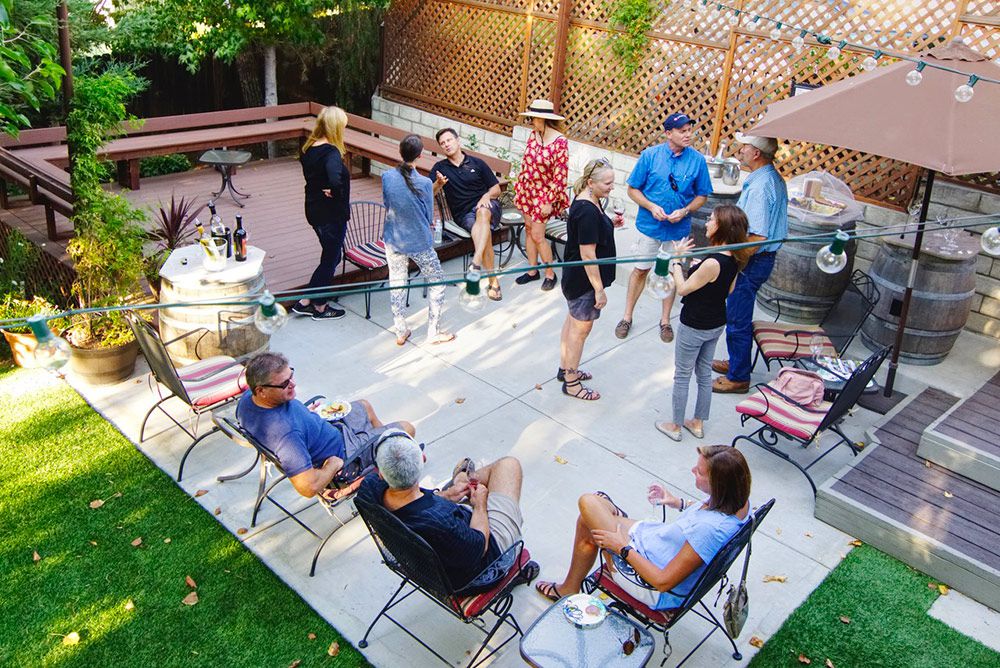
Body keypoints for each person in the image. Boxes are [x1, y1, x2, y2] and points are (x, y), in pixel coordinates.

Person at [534, 445, 751, 610]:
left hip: (650, 584)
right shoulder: (739, 503)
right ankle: (571, 584)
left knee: (588, 504)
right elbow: (707, 511)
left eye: (700, 472)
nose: (693, 470)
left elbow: (662, 582)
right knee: (588, 517)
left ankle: (569, 586)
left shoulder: (708, 532)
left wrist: (621, 549)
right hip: (655, 545)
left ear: (719, 485)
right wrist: (678, 503)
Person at [358, 434, 539, 592]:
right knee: (509, 465)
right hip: (474, 577)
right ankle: (463, 478)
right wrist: (480, 504)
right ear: (421, 462)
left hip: (422, 567)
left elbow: (419, 506)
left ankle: (461, 479)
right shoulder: (443, 521)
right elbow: (480, 545)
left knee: (472, 485)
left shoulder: (369, 489)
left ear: (381, 473)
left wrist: (445, 496)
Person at [237, 352, 415, 499]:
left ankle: (381, 454)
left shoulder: (247, 400)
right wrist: (332, 465)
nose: (293, 384)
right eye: (284, 384)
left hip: (330, 428)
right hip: (346, 455)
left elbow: (289, 418)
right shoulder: (287, 436)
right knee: (407, 428)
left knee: (364, 405)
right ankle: (388, 459)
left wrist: (307, 415)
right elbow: (308, 487)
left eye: (290, 375)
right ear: (261, 390)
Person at [654, 205, 750, 441]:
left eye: (711, 219)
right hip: (716, 322)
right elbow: (729, 289)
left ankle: (675, 426)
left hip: (695, 324)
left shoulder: (712, 263)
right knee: (704, 374)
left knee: (683, 375)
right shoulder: (734, 257)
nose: (707, 223)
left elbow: (684, 288)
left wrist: (677, 262)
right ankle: (697, 423)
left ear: (722, 227)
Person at [615, 112, 712, 344]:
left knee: (670, 273)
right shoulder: (650, 156)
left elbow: (702, 196)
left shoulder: (697, 160)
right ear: (668, 133)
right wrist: (650, 206)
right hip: (650, 226)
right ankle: (627, 317)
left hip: (678, 231)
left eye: (690, 130)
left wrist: (686, 210)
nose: (688, 134)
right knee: (640, 270)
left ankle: (665, 321)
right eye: (683, 131)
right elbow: (632, 190)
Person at [712, 132, 788, 394]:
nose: (740, 150)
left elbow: (757, 235)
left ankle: (739, 377)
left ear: (756, 153)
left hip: (753, 261)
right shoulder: (769, 178)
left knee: (737, 316)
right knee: (737, 313)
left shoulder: (760, 186)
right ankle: (737, 362)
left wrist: (736, 264)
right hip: (759, 259)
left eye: (744, 146)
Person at [381, 135, 456, 346]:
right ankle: (433, 332)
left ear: (400, 152)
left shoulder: (387, 176)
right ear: (420, 155)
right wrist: (438, 185)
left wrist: (436, 185)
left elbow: (390, 202)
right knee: (437, 282)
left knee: (397, 283)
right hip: (419, 241)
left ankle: (400, 330)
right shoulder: (423, 182)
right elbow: (427, 212)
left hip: (393, 240)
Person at [559, 158, 623, 401]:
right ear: (590, 182)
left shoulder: (590, 200)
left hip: (576, 279)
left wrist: (609, 224)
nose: (611, 187)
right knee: (580, 330)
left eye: (612, 182)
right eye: (607, 183)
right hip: (583, 282)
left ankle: (565, 368)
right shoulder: (586, 210)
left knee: (572, 323)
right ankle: (572, 383)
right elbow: (587, 253)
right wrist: (599, 289)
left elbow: (592, 234)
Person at [430, 128, 504, 301]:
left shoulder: (477, 163)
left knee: (483, 212)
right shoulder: (439, 168)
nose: (446, 144)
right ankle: (490, 278)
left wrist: (486, 195)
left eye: (449, 140)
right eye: (442, 143)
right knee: (483, 232)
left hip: (488, 206)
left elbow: (496, 189)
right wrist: (438, 184)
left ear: (458, 140)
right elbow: (429, 193)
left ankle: (477, 265)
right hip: (464, 214)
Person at [293, 106, 351, 321]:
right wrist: (336, 193)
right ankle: (318, 306)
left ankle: (308, 299)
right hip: (330, 214)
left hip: (314, 209)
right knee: (331, 258)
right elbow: (335, 179)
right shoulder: (331, 153)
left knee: (331, 256)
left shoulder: (309, 148)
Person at [513, 99, 570, 291]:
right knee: (528, 229)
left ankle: (550, 273)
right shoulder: (533, 135)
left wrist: (550, 201)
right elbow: (526, 164)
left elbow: (560, 175)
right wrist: (519, 190)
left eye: (533, 118)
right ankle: (532, 270)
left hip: (544, 195)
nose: (530, 121)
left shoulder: (560, 142)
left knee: (538, 235)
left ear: (543, 119)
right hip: (527, 191)